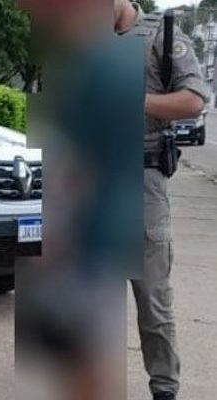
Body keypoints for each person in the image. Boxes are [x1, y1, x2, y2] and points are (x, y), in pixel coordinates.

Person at [115, 1, 207, 399]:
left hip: (142, 182)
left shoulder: (161, 36)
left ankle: (164, 389)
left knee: (152, 300)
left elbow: (195, 98)